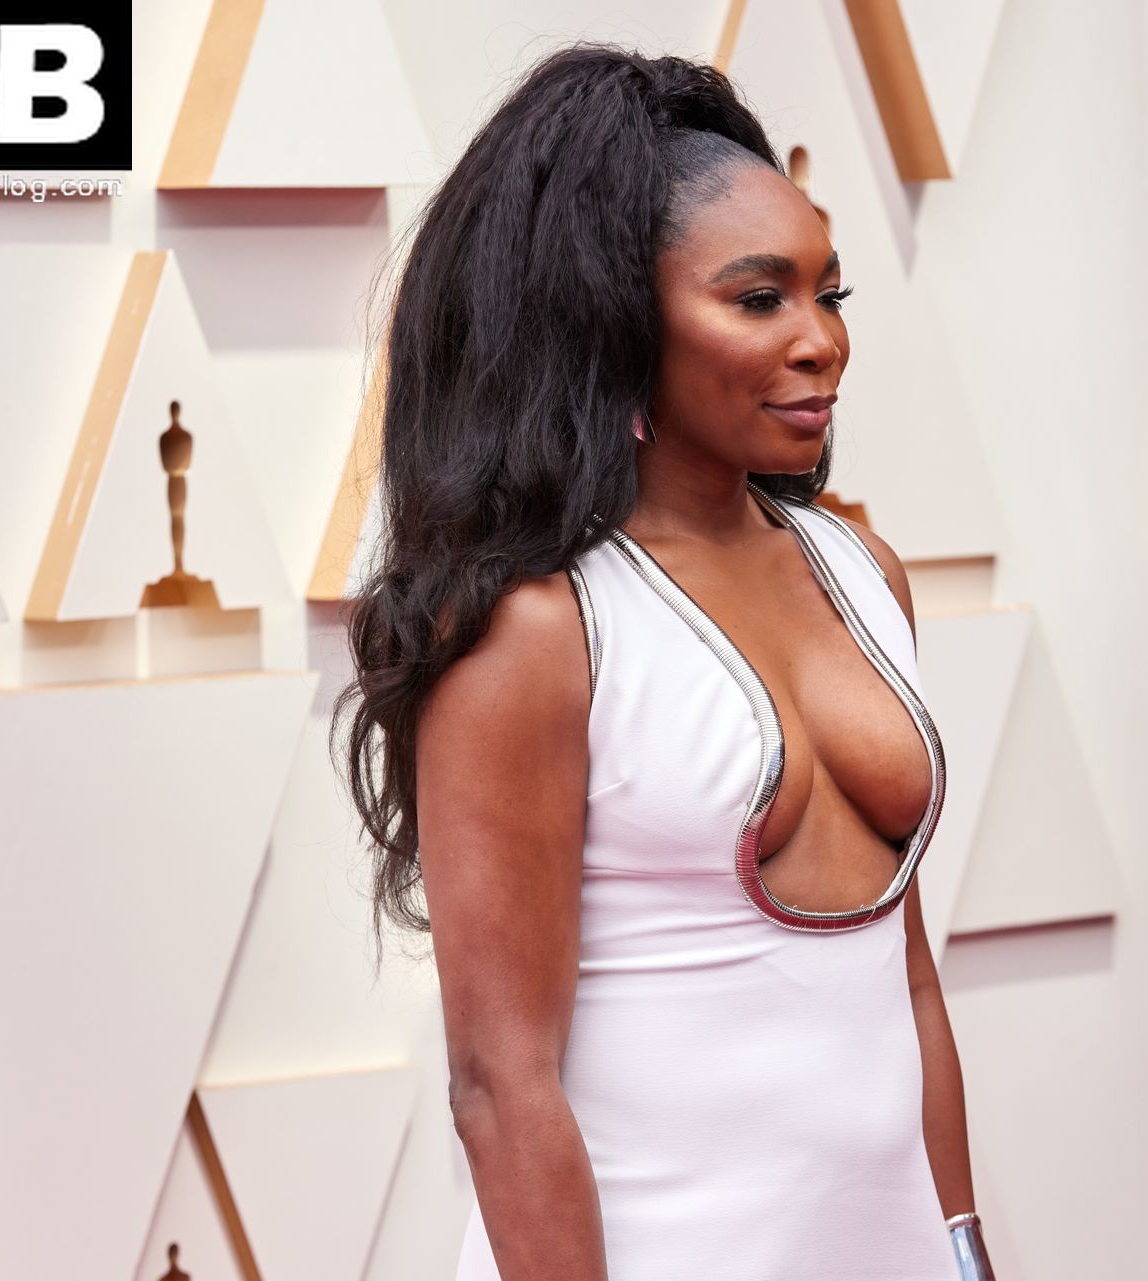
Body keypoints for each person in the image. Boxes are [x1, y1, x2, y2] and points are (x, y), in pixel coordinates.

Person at [334, 42, 995, 1280]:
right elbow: (501, 1083)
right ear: (618, 326)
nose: (821, 341)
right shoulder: (536, 631)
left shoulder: (864, 574)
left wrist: (964, 1252)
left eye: (830, 294)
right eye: (758, 300)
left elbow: (906, 984)